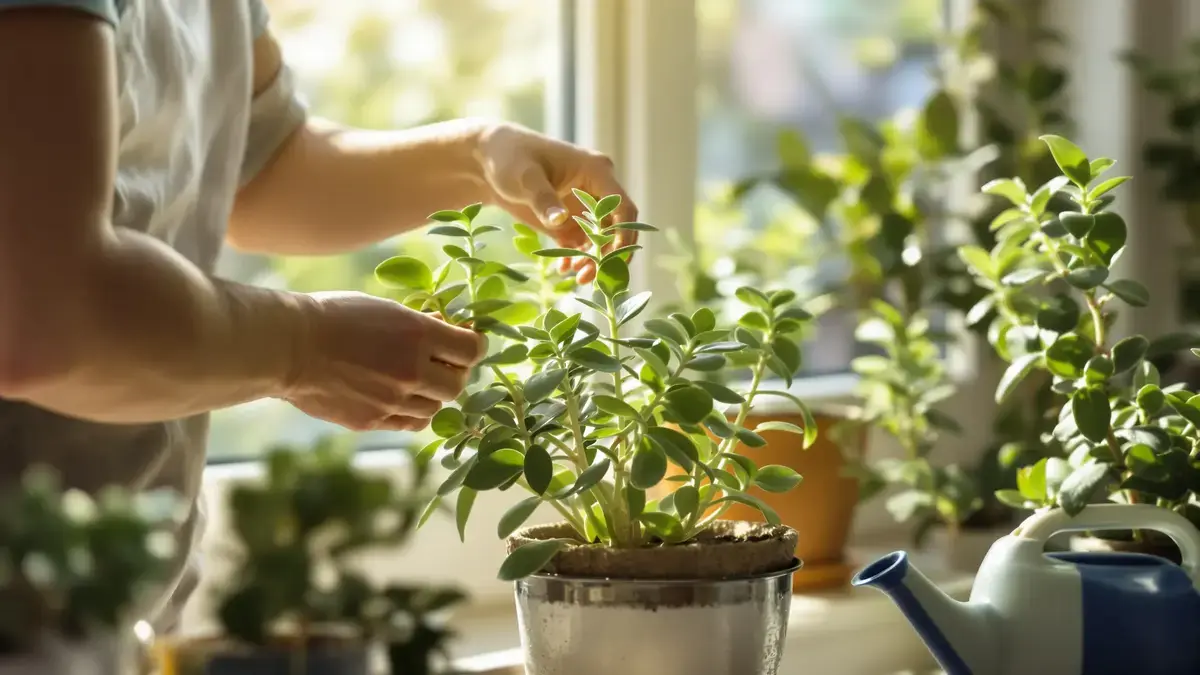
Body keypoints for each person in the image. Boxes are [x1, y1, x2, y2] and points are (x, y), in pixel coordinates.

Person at [0, 1, 638, 631]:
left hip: (115, 608)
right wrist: (306, 347)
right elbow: (44, 316)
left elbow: (264, 165)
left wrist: (476, 158)